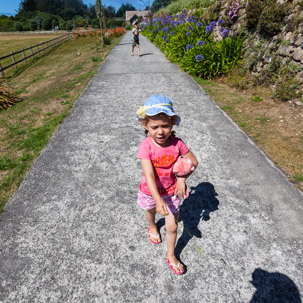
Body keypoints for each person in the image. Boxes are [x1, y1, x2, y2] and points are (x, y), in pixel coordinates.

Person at [136, 94, 198, 275]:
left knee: (172, 226)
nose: (160, 131)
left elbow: (193, 161)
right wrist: (157, 198)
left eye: (165, 125)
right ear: (145, 126)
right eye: (155, 127)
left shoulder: (177, 144)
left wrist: (181, 179)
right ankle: (153, 226)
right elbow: (148, 174)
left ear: (172, 124)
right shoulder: (146, 147)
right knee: (151, 211)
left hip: (171, 192)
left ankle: (171, 255)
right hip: (150, 191)